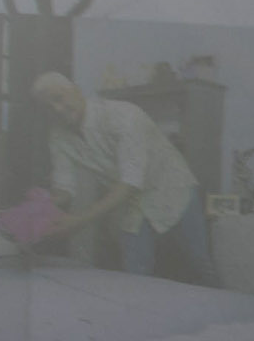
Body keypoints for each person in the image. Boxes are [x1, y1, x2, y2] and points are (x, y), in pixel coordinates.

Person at [28, 69, 205, 280]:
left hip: (173, 192)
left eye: (58, 98)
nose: (57, 109)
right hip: (131, 205)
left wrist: (79, 220)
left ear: (75, 90)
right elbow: (64, 186)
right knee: (134, 274)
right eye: (48, 107)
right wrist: (42, 208)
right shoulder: (58, 135)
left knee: (200, 264)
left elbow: (130, 182)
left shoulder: (124, 116)